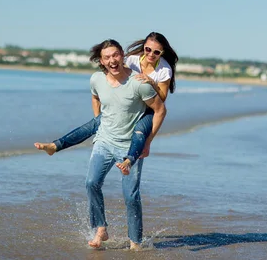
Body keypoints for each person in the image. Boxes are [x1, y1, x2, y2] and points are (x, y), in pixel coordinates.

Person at [34, 32, 178, 174]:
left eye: (156, 52)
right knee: (95, 123)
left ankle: (128, 161)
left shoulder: (164, 69)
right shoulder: (132, 60)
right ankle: (55, 146)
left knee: (139, 130)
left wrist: (151, 81)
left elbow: (162, 99)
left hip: (147, 110)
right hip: (128, 105)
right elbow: (115, 72)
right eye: (148, 49)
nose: (151, 54)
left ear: (162, 52)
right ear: (144, 47)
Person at [83, 39, 166, 249]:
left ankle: (135, 243)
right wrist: (99, 122)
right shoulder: (96, 79)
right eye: (107, 57)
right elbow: (95, 97)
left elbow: (160, 109)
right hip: (104, 142)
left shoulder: (138, 82)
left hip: (130, 145)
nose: (112, 60)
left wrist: (147, 142)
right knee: (91, 183)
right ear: (101, 61)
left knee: (130, 196)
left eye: (115, 55)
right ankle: (100, 229)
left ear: (123, 56)